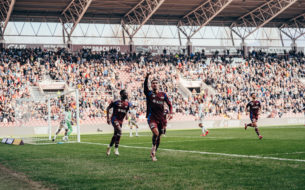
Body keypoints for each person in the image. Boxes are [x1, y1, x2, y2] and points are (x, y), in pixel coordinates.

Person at [144, 72, 173, 161]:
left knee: (159, 136)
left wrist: (170, 113)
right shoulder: (149, 94)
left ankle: (154, 151)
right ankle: (153, 153)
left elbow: (169, 104)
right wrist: (147, 77)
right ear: (151, 85)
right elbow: (145, 87)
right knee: (156, 133)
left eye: (156, 83)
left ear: (158, 85)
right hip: (151, 117)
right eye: (153, 83)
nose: (155, 84)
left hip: (161, 119)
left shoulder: (163, 94)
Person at [106, 90, 131, 156]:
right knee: (120, 131)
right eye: (125, 93)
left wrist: (127, 117)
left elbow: (126, 111)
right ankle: (116, 149)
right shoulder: (116, 102)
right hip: (114, 119)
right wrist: (108, 118)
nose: (126, 94)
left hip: (120, 121)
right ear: (121, 95)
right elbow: (108, 108)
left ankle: (109, 147)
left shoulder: (128, 104)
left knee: (115, 135)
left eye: (127, 93)